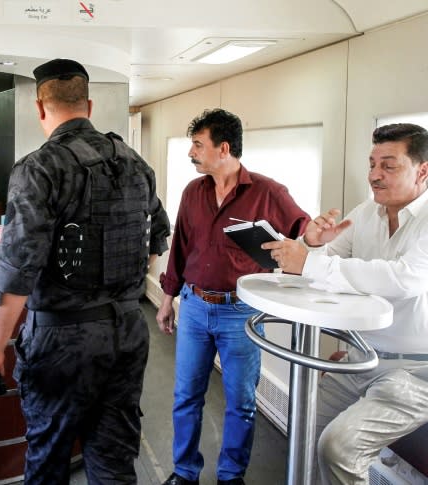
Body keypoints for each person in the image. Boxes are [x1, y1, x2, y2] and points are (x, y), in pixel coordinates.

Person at [0, 58, 170, 484]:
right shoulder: (135, 163)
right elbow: (157, 240)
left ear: (40, 107)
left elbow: (16, 272)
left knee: (48, 459)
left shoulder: (39, 168)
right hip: (127, 335)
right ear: (90, 104)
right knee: (114, 459)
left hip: (62, 341)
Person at [263, 123, 428, 485]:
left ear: (423, 170)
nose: (374, 175)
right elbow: (323, 268)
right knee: (304, 426)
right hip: (367, 357)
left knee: (340, 447)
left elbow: (403, 279)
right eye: (371, 164)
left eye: (388, 165)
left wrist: (311, 260)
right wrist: (313, 244)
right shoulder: (368, 212)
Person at [157, 109, 310, 485]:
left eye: (197, 145)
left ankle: (231, 476)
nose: (190, 153)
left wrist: (312, 239)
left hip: (240, 314)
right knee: (186, 397)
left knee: (241, 403)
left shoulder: (269, 192)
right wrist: (167, 299)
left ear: (223, 148)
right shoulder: (193, 192)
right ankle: (184, 472)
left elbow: (303, 237)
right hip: (193, 307)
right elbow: (180, 247)